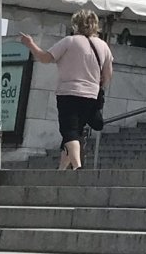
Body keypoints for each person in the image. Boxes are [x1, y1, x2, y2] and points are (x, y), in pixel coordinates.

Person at [20, 9, 113, 171]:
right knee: (74, 132)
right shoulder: (103, 46)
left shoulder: (69, 41)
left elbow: (45, 58)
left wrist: (30, 44)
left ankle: (77, 167)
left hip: (69, 92)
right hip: (91, 95)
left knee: (69, 130)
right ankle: (62, 169)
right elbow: (107, 75)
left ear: (76, 24)